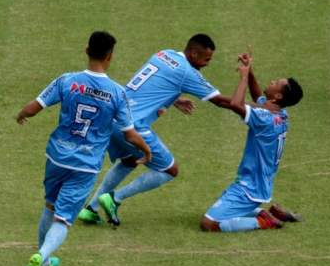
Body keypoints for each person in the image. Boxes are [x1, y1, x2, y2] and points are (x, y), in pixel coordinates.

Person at [14, 31, 151, 266]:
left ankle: (44, 264)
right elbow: (129, 134)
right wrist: (146, 150)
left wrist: (21, 114)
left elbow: (35, 106)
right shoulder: (117, 93)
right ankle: (42, 255)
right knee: (63, 219)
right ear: (110, 57)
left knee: (49, 206)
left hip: (57, 157)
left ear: (87, 50)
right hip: (85, 166)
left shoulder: (67, 80)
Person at [78, 33, 231, 226]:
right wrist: (254, 108)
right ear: (194, 53)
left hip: (113, 117)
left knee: (129, 160)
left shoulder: (164, 54)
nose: (207, 64)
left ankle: (90, 209)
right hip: (132, 125)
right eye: (206, 59)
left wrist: (174, 99)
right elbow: (222, 101)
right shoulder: (187, 72)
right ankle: (114, 198)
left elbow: (150, 84)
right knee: (169, 170)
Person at [200, 51, 304, 233]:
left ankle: (263, 221)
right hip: (259, 184)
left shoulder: (265, 119)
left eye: (276, 83)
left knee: (209, 223)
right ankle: (267, 213)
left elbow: (236, 104)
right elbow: (258, 99)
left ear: (278, 97)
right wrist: (250, 70)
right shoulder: (281, 114)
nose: (272, 81)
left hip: (250, 188)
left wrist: (243, 76)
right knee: (224, 212)